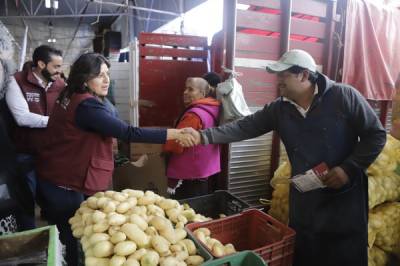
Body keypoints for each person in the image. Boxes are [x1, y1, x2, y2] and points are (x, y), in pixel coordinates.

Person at [181, 49, 386, 266]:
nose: (278, 80)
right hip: (307, 201)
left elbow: (376, 135)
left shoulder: (344, 97)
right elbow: (245, 127)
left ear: (304, 75)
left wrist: (349, 168)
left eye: (284, 75)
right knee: (307, 254)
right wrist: (202, 136)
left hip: (344, 199)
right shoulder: (279, 109)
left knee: (344, 255)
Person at [34, 53, 194, 266]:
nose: (107, 80)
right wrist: (173, 133)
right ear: (84, 78)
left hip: (56, 176)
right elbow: (128, 133)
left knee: (70, 236)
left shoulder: (69, 93)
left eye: (107, 74)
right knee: (72, 240)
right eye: (100, 75)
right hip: (65, 184)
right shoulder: (86, 106)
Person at [5, 45, 64, 230]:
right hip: (25, 153)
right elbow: (22, 118)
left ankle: (56, 240)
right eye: (55, 67)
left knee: (54, 200)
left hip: (52, 154)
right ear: (41, 64)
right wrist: (55, 123)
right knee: (26, 199)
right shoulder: (16, 82)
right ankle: (29, 241)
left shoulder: (60, 85)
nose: (59, 72)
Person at [163, 77, 221, 199]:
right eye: (185, 88)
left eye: (190, 89)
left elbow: (175, 145)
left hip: (189, 175)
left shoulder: (193, 115)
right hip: (204, 170)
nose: (185, 92)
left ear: (202, 93)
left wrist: (163, 146)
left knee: (184, 212)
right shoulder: (212, 109)